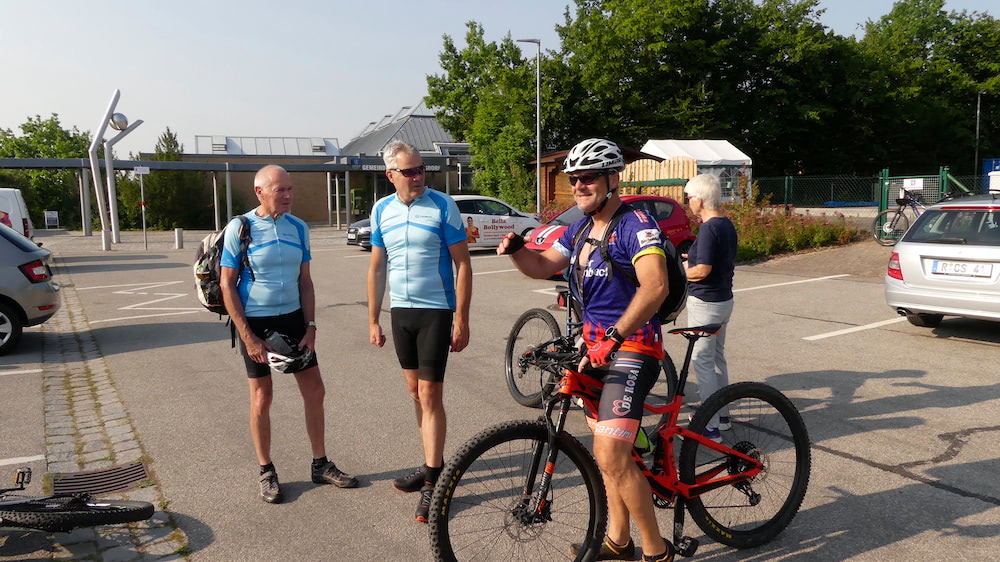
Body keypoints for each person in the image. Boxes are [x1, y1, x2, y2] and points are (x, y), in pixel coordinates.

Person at [497, 138, 675, 562]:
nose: (578, 186)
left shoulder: (636, 226)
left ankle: (657, 551)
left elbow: (656, 286)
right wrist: (519, 251)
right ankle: (618, 541)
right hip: (594, 350)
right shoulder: (579, 229)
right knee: (608, 454)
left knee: (611, 454)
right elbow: (543, 265)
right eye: (574, 179)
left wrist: (614, 336)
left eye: (588, 178)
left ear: (613, 179)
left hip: (633, 347)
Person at [221, 164, 358, 504]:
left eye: (290, 189)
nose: (288, 195)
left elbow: (305, 282)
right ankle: (266, 470)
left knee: (315, 391)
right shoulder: (240, 228)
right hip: (256, 322)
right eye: (280, 190)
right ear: (259, 192)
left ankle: (320, 464)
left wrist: (311, 327)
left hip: (294, 319)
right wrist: (248, 337)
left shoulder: (298, 227)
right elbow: (227, 284)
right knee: (261, 397)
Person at [367, 140, 472, 523]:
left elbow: (463, 265)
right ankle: (432, 464)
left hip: (436, 310)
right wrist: (373, 319)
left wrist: (462, 318)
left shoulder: (443, 205)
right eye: (409, 171)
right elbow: (377, 267)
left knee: (430, 394)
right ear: (390, 175)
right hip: (401, 312)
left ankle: (433, 482)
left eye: (421, 169)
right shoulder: (381, 210)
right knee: (415, 392)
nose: (417, 177)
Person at [681, 174, 738, 442]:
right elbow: (712, 259)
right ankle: (722, 416)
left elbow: (702, 270)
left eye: (688, 198)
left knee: (702, 362)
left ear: (700, 200)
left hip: (705, 304)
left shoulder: (708, 228)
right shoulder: (725, 224)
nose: (688, 203)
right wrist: (691, 259)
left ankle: (709, 427)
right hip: (723, 300)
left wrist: (680, 272)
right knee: (716, 359)